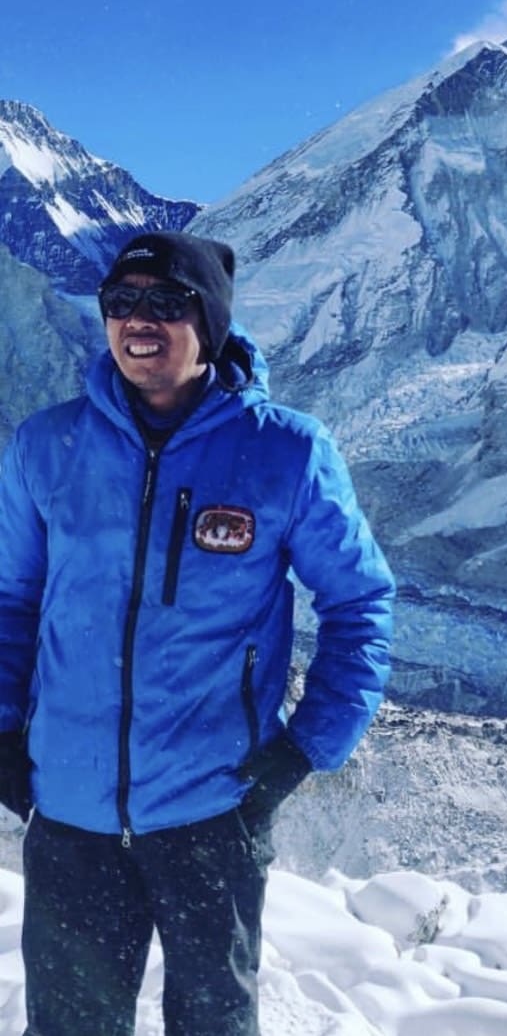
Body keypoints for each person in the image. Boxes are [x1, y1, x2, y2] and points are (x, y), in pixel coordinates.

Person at [0, 231, 395, 1036]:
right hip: (70, 814)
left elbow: (359, 605)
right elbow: (9, 598)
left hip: (212, 812)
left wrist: (303, 750)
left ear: (208, 322)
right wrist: (3, 731)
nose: (138, 320)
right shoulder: (47, 444)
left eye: (165, 302)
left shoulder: (285, 452)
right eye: (121, 302)